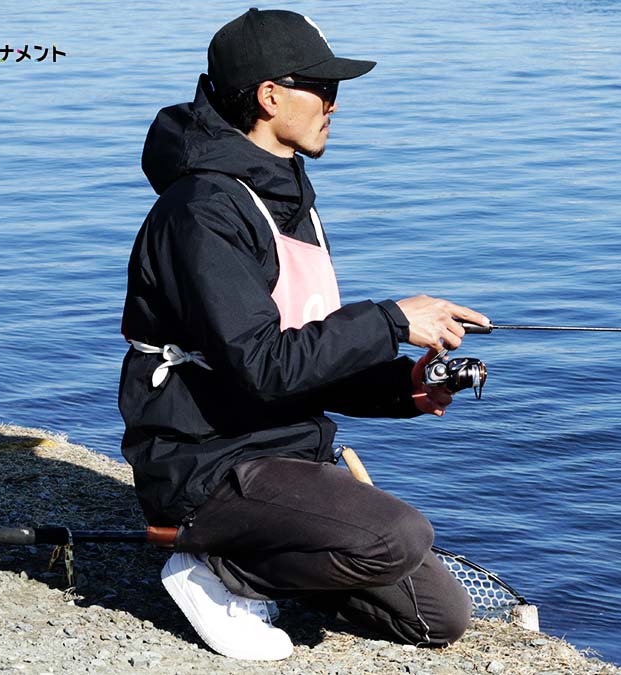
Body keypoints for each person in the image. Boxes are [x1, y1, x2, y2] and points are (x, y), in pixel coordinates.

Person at [118, 8, 488, 662]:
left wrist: (407, 385)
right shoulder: (201, 211)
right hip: (206, 461)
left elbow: (305, 355)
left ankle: (282, 551)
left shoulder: (289, 200)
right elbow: (262, 366)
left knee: (440, 614)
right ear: (269, 96)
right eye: (323, 89)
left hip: (283, 450)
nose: (334, 106)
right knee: (401, 533)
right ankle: (216, 571)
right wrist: (392, 320)